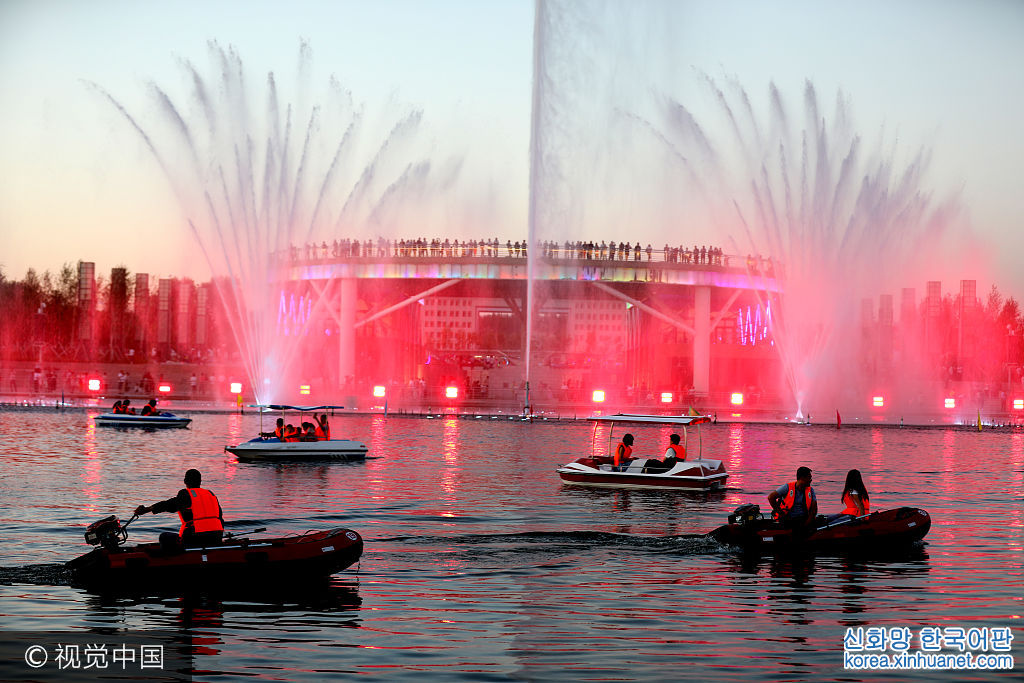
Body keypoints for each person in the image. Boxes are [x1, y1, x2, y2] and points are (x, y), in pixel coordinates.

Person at [134, 469, 224, 550]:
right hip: (216, 536)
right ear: (200, 481)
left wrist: (146, 509)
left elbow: (168, 505)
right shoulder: (211, 494)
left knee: (164, 537)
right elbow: (220, 519)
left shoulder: (185, 493)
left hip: (195, 537)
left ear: (185, 481)